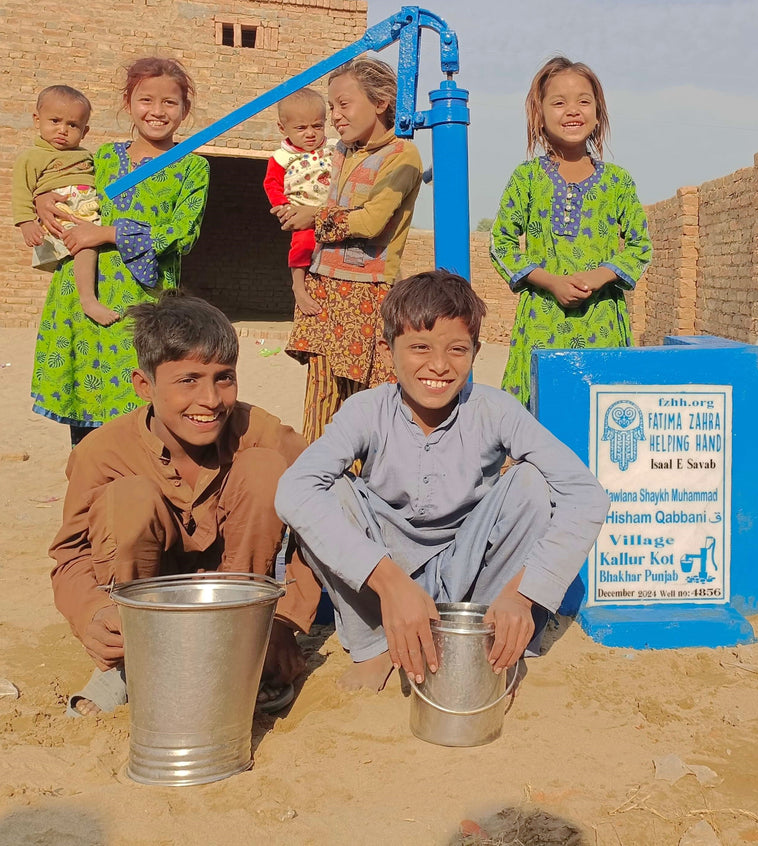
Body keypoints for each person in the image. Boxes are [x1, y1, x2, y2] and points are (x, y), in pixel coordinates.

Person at [275, 271, 610, 690]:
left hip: (466, 571)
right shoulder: (365, 411)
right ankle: (374, 644)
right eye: (419, 347)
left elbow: (587, 495)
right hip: (383, 573)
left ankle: (486, 634)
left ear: (475, 352)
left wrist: (524, 593)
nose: (439, 365)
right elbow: (293, 490)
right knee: (330, 491)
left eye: (457, 349)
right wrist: (389, 582)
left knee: (531, 484)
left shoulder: (495, 410)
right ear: (387, 350)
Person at [50, 291, 320, 717]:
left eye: (224, 378)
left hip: (238, 602)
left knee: (264, 469)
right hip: (145, 609)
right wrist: (93, 614)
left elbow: (323, 517)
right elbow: (71, 556)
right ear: (144, 385)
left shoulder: (261, 432)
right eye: (188, 380)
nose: (210, 399)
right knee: (130, 500)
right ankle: (130, 662)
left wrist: (285, 620)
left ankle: (246, 643)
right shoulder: (101, 453)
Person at [31, 56, 210, 446]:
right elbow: (63, 187)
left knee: (142, 407)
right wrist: (43, 199)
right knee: (85, 413)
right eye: (146, 100)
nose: (157, 111)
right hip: (82, 296)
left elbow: (183, 234)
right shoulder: (102, 158)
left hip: (141, 306)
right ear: (128, 103)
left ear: (184, 110)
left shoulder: (192, 168)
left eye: (169, 102)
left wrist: (107, 233)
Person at [490, 56, 653, 409]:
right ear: (540, 115)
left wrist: (598, 276)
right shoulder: (527, 178)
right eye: (559, 102)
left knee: (601, 412)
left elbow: (640, 246)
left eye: (583, 101)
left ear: (598, 114)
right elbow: (501, 244)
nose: (572, 110)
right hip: (542, 320)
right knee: (539, 413)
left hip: (602, 323)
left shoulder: (618, 182)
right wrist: (550, 282)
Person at [277, 55, 422, 445]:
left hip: (366, 293)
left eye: (344, 104)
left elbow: (372, 222)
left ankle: (360, 477)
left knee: (364, 397)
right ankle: (315, 472)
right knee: (321, 394)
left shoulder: (402, 156)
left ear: (380, 102)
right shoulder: (338, 151)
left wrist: (314, 218)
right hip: (323, 287)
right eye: (332, 107)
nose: (335, 116)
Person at [12, 86, 114, 326]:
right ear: (37, 120)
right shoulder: (32, 156)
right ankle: (88, 300)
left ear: (85, 131)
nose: (63, 130)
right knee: (86, 246)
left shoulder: (86, 156)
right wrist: (26, 222)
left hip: (87, 209)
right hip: (63, 214)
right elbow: (21, 191)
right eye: (55, 121)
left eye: (73, 125)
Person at [262, 87, 331, 318]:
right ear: (283, 128)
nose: (310, 133)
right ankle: (299, 287)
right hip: (300, 213)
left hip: (330, 211)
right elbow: (271, 183)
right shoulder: (281, 157)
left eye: (317, 126)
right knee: (303, 245)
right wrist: (282, 207)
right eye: (301, 128)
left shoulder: (333, 148)